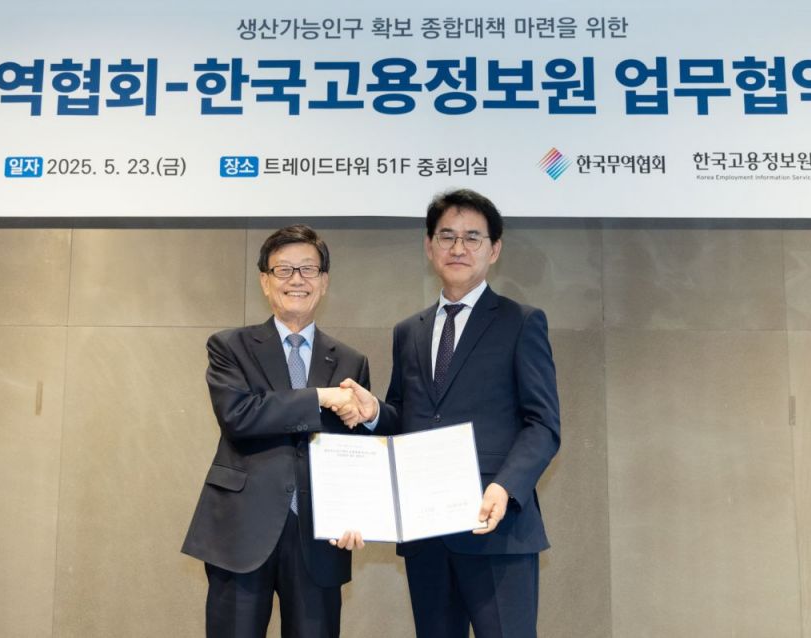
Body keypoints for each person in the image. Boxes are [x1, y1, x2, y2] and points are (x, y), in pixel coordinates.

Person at [342, 189, 561, 638]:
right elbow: (405, 416)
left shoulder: (521, 322)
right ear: (429, 246)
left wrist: (506, 486)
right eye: (447, 236)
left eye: (472, 237)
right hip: (426, 530)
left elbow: (543, 424)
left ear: (494, 250)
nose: (458, 248)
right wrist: (374, 413)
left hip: (495, 526)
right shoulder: (409, 331)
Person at [182, 224, 373, 638]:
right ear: (265, 281)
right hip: (241, 531)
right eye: (283, 270)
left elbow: (356, 449)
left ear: (324, 281)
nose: (296, 280)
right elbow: (239, 415)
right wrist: (319, 397)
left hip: (320, 538)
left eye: (308, 269)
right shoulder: (230, 347)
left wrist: (356, 511)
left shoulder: (351, 361)